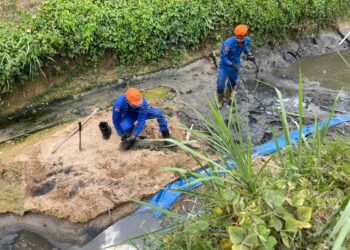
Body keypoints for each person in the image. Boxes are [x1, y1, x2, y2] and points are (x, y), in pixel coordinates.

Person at [216, 24, 255, 109]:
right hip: (225, 66)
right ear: (235, 35)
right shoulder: (227, 44)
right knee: (220, 84)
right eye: (238, 38)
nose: (239, 40)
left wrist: (249, 54)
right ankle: (220, 100)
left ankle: (228, 96)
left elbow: (244, 47)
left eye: (241, 38)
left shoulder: (247, 40)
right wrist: (231, 64)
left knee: (232, 82)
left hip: (236, 64)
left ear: (246, 35)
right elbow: (223, 58)